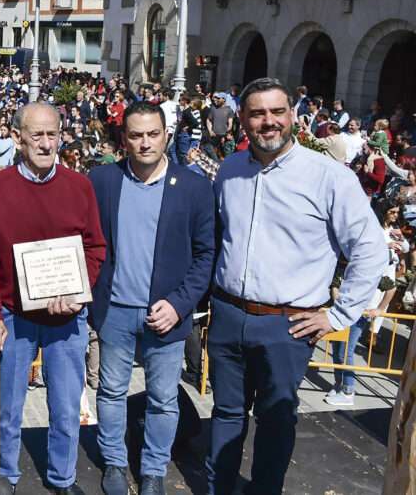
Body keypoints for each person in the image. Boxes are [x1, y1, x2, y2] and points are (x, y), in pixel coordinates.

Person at [207, 77, 386, 495]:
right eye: (257, 113)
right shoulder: (230, 171)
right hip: (229, 316)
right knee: (226, 413)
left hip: (287, 326)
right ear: (242, 121)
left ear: (292, 116)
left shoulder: (328, 177)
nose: (268, 122)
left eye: (277, 112)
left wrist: (339, 315)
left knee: (276, 420)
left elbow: (371, 249)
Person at [0, 103, 106, 494]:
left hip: (67, 317)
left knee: (65, 408)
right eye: (37, 135)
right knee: (7, 407)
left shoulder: (80, 186)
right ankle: (4, 475)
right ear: (17, 139)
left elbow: (95, 247)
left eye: (52, 134)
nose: (46, 144)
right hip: (13, 315)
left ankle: (63, 478)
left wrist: (79, 293)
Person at [88, 101, 215, 495]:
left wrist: (179, 304)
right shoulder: (102, 180)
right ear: (124, 139)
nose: (145, 143)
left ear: (166, 136)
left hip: (167, 313)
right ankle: (113, 462)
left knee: (163, 397)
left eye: (153, 134)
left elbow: (205, 254)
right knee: (110, 391)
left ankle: (154, 469)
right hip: (115, 310)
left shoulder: (193, 187)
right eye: (136, 135)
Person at [326, 202, 405, 407]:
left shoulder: (368, 269)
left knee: (346, 351)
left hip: (358, 315)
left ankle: (348, 390)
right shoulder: (344, 267)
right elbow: (335, 285)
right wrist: (337, 304)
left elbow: (391, 287)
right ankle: (339, 384)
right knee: (337, 350)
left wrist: (378, 310)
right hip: (340, 314)